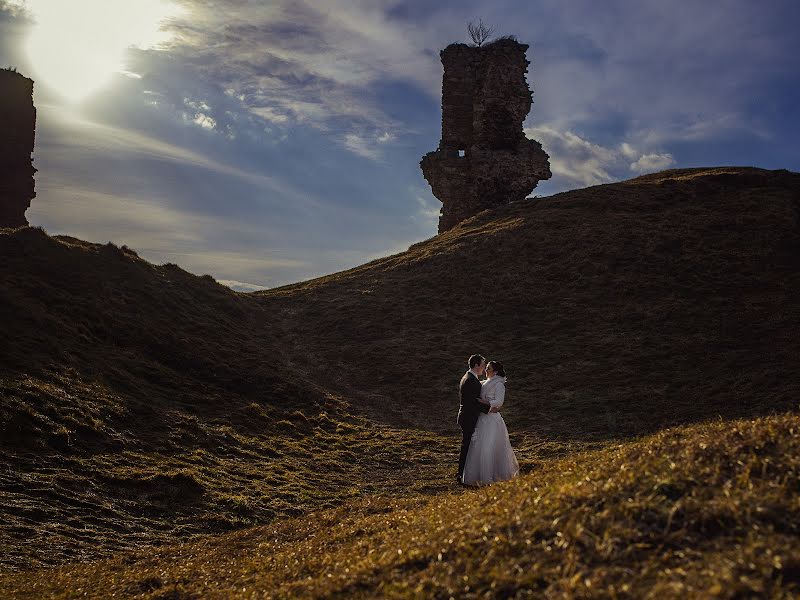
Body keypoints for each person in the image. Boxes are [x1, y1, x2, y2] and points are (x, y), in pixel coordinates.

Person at [461, 360, 520, 486]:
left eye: (489, 368)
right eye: (486, 367)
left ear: (495, 372)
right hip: (482, 418)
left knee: (489, 447)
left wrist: (483, 402)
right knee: (479, 446)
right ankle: (477, 476)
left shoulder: (499, 385)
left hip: (492, 420)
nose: (486, 370)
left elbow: (498, 402)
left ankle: (491, 476)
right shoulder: (484, 383)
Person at [456, 354, 490, 484]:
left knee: (467, 445)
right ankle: (461, 474)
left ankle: (463, 473)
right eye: (482, 365)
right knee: (467, 446)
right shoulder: (470, 380)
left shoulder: (469, 377)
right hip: (468, 417)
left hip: (466, 416)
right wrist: (489, 408)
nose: (483, 369)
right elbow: (472, 402)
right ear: (476, 365)